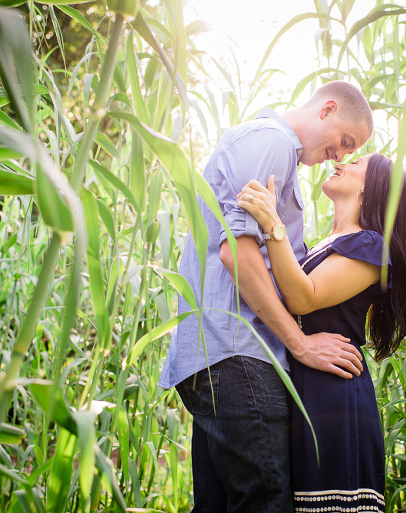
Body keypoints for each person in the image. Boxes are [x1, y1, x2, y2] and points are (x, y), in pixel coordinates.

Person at [159, 81, 374, 512]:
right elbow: (235, 253)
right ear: (327, 109)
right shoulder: (272, 141)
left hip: (219, 355)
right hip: (240, 353)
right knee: (266, 501)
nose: (340, 155)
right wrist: (300, 344)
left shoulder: (278, 156)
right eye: (344, 142)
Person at [236, 153, 406, 512]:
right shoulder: (326, 244)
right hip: (308, 384)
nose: (342, 162)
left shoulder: (371, 246)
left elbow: (304, 297)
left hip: (334, 395)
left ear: (372, 187)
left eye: (356, 162)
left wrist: (273, 224)